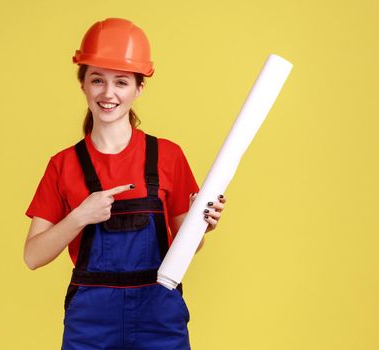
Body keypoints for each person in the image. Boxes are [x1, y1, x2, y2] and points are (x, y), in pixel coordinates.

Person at [24, 18, 227, 350]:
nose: (108, 93)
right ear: (83, 85)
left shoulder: (168, 156)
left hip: (159, 320)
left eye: (121, 82)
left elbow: (190, 247)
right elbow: (32, 256)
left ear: (139, 87)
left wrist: (200, 227)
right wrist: (80, 216)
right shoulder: (63, 165)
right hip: (90, 326)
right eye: (97, 80)